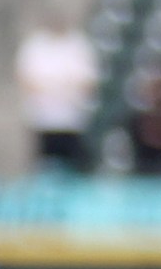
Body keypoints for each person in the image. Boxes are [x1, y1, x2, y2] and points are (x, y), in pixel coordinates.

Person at [16, 20, 103, 174]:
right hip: (42, 121)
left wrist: (55, 88)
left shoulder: (78, 45)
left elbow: (87, 83)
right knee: (44, 167)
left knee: (74, 166)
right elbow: (28, 82)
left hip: (73, 122)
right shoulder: (36, 46)